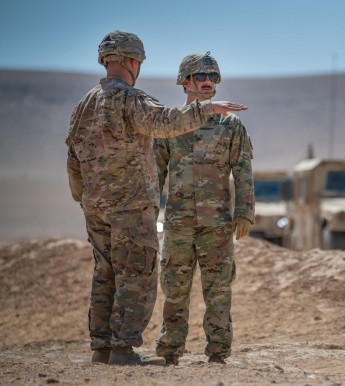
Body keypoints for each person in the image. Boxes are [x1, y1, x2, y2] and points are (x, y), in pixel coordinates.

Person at [65, 30, 248, 366]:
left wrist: (86, 198)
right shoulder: (130, 99)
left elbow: (73, 159)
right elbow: (165, 123)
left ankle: (101, 347)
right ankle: (122, 347)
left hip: (96, 208)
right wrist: (206, 110)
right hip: (131, 207)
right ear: (133, 61)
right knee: (136, 273)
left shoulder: (84, 105)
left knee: (105, 273)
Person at [154, 52, 255, 365]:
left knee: (219, 290)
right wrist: (146, 215)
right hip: (178, 223)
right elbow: (155, 172)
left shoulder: (230, 124)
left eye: (213, 77)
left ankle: (218, 352)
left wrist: (244, 212)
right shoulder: (171, 124)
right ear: (186, 82)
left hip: (218, 224)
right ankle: (170, 350)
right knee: (175, 289)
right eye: (201, 77)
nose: (209, 82)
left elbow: (242, 169)